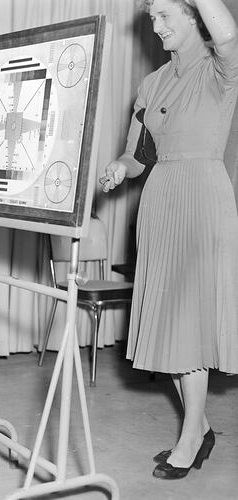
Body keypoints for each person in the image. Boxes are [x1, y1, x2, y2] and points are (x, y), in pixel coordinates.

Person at [100, 0, 238, 480]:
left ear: (194, 15)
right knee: (168, 323)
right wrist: (120, 167)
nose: (156, 27)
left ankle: (192, 435)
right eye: (151, 18)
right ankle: (198, 429)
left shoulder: (221, 68)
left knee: (189, 323)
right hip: (159, 204)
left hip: (201, 200)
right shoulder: (152, 83)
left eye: (164, 16)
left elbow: (226, 33)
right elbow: (139, 154)